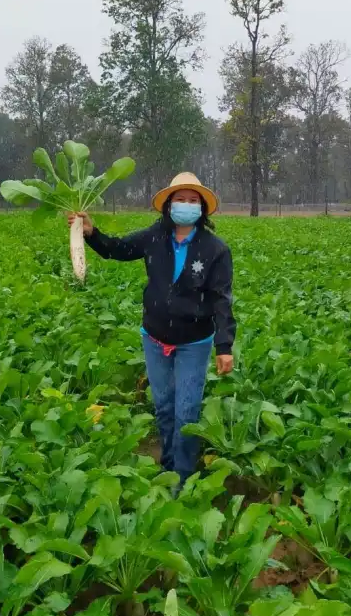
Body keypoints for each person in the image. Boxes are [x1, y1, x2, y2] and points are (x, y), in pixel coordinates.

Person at [67, 172, 235, 486]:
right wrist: (90, 233)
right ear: (169, 204)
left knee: (187, 412)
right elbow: (118, 248)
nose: (186, 204)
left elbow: (221, 300)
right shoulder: (155, 237)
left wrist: (224, 346)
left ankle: (183, 478)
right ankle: (168, 467)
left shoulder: (215, 249)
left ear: (202, 208)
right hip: (155, 338)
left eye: (193, 200)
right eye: (180, 199)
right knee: (165, 408)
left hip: (194, 342)